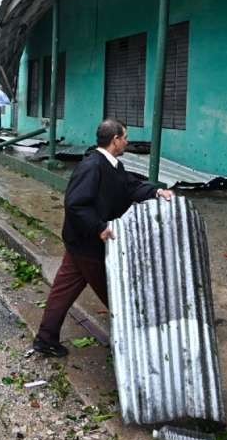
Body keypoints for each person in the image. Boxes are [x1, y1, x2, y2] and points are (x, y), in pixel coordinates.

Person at [32, 119, 175, 357]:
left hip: (81, 244)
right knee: (115, 293)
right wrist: (99, 227)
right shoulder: (92, 166)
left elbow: (130, 186)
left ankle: (45, 339)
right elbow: (75, 204)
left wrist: (156, 191)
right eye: (125, 137)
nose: (127, 142)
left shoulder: (112, 165)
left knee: (63, 290)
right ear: (115, 140)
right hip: (89, 245)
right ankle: (140, 340)